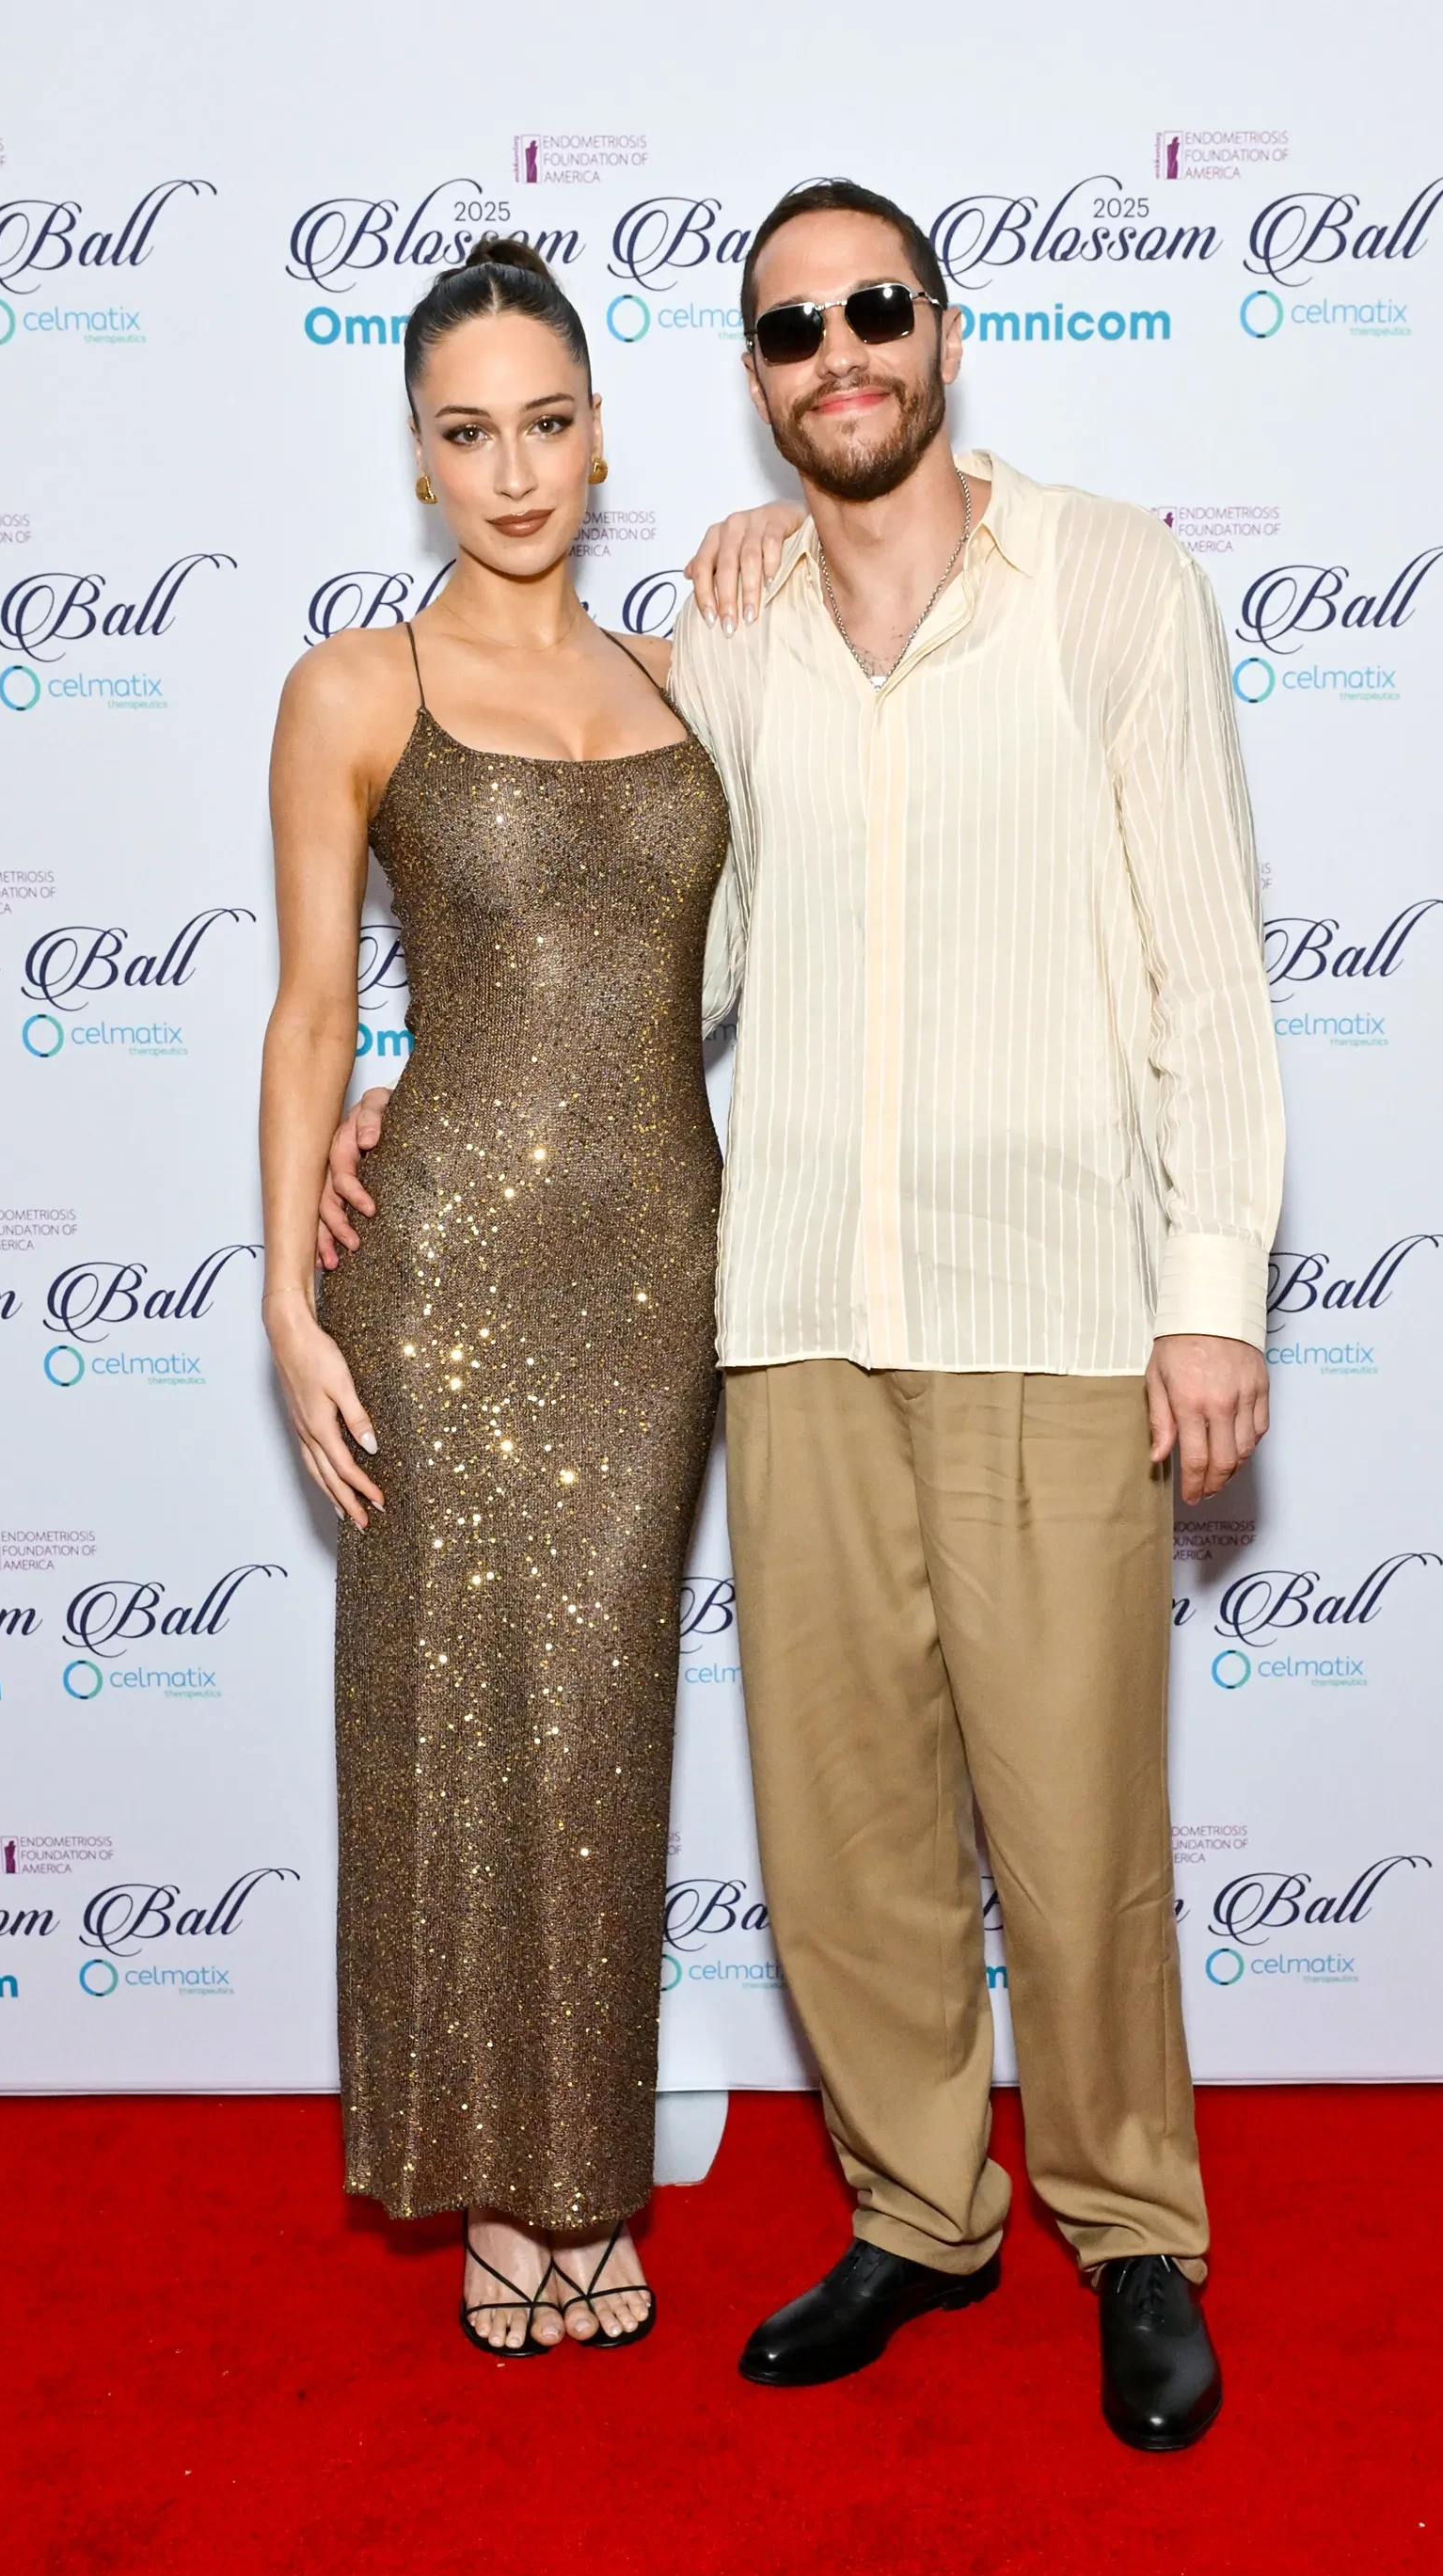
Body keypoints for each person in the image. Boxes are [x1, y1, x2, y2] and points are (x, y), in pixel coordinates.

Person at [326, 177, 1284, 2448]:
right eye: (790, 329)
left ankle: (1131, 2229)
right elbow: (680, 951)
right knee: (844, 1835)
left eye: (873, 308)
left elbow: (1210, 963)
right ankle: (918, 2210)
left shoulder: (1114, 580)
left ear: (941, 329)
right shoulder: (729, 638)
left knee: (1076, 1822)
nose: (837, 352)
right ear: (758, 386)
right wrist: (449, 1071)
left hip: (1054, 1294)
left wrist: (1212, 1292)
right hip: (790, 1306)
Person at [260, 236, 728, 2356]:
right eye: (470, 433)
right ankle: (484, 2186)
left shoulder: (689, 674)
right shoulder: (358, 689)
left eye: (548, 423)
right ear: (420, 459)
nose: (515, 470)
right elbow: (307, 1012)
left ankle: (586, 2173)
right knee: (447, 1716)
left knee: (607, 1725)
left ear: (602, 437)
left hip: (655, 1275)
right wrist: (289, 1305)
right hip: (439, 1265)